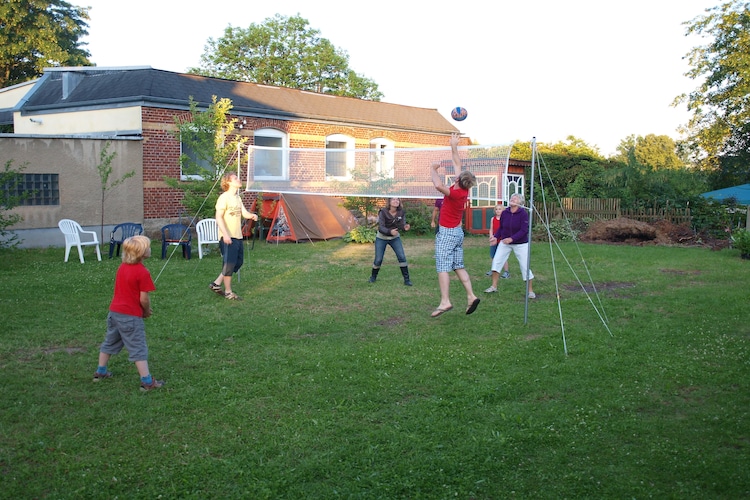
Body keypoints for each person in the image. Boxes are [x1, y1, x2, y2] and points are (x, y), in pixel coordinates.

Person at [93, 235, 164, 391]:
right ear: (142, 253)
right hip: (130, 317)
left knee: (109, 341)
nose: (150, 249)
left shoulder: (122, 267)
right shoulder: (142, 272)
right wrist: (145, 311)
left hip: (114, 313)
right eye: (148, 247)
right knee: (138, 347)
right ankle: (147, 381)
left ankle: (100, 371)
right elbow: (144, 299)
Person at [430, 132, 480, 317]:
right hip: (458, 234)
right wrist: (453, 146)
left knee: (442, 266)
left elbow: (437, 185)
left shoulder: (456, 193)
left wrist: (433, 169)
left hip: (448, 233)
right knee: (458, 265)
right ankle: (471, 296)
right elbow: (457, 162)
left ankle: (445, 302)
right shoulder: (463, 189)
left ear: (459, 180)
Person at [209, 172, 258, 300]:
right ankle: (228, 292)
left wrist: (252, 215)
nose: (238, 180)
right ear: (228, 182)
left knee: (238, 262)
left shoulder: (237, 198)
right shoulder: (224, 198)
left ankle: (216, 284)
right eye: (235, 178)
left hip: (237, 236)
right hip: (227, 236)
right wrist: (225, 235)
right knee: (229, 263)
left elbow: (244, 213)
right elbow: (218, 217)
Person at [485, 193, 536, 298]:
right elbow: (501, 228)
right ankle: (493, 286)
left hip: (520, 243)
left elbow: (524, 230)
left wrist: (512, 238)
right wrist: (495, 237)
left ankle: (530, 291)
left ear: (520, 202)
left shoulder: (523, 214)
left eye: (515, 198)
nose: (512, 199)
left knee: (525, 266)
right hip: (504, 242)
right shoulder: (505, 213)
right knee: (496, 261)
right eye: (512, 197)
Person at [369, 197, 413, 286]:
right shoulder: (383, 212)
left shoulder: (401, 212)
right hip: (381, 238)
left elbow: (401, 224)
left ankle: (407, 280)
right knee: (378, 259)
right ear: (389, 202)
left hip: (395, 238)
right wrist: (390, 232)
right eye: (393, 199)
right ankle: (373, 277)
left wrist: (405, 227)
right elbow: (381, 227)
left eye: (397, 200)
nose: (396, 201)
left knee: (402, 257)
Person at [487, 204, 511, 278]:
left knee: (503, 256)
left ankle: (506, 272)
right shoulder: (492, 219)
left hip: (502, 240)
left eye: (500, 209)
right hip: (494, 240)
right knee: (493, 255)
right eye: (496, 209)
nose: (498, 210)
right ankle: (493, 269)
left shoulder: (505, 219)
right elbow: (491, 229)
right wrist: (491, 236)